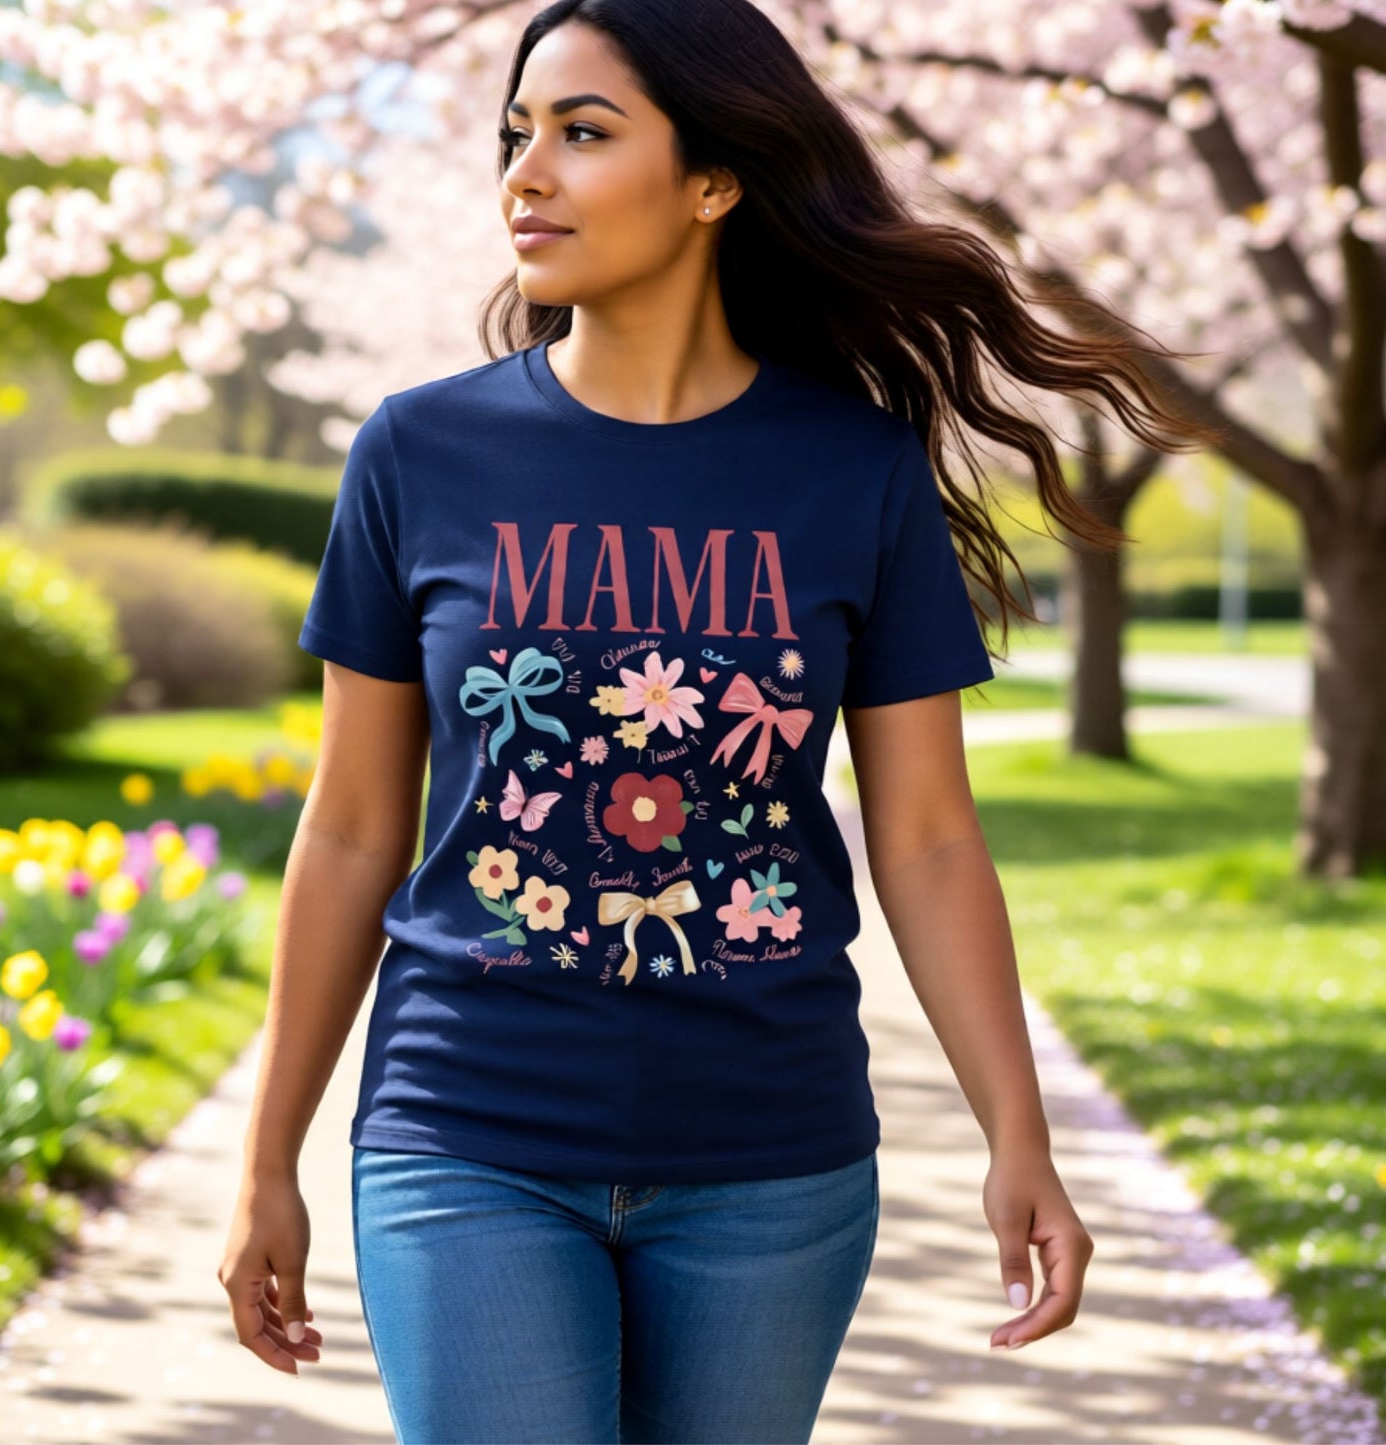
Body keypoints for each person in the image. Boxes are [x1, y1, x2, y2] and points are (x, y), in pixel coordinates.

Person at [218, 1, 1218, 1440]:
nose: (525, 174)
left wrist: (1017, 1132)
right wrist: (269, 1161)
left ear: (712, 180)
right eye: (517, 135)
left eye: (581, 132)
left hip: (770, 1158)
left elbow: (927, 837)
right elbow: (356, 824)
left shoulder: (850, 471)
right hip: (465, 1134)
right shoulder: (418, 452)